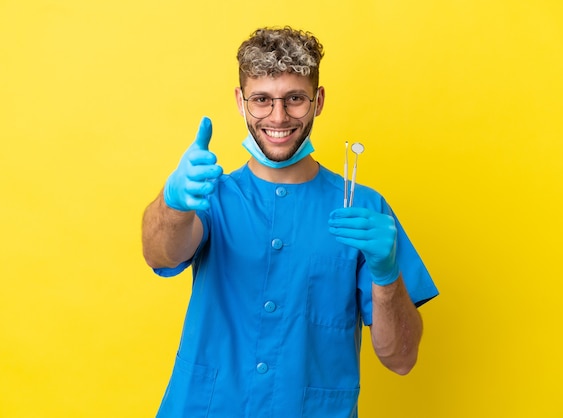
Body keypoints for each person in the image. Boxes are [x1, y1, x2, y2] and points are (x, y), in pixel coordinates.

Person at [141, 26, 438, 418]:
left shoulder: (364, 210)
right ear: (240, 101)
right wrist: (174, 203)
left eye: (295, 98)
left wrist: (386, 277)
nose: (278, 117)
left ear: (318, 101)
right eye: (261, 100)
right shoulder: (209, 195)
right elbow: (160, 254)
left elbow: (401, 358)